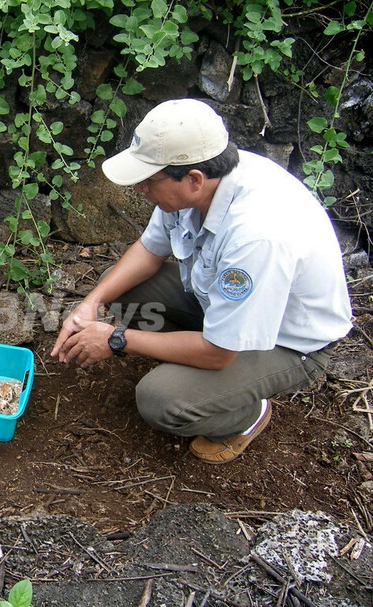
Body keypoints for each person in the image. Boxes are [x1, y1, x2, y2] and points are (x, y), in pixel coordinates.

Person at [51, 99, 352, 464]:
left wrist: (116, 339)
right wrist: (91, 302)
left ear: (193, 179)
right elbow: (149, 250)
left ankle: (245, 415)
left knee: (161, 400)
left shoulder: (255, 235)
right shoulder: (202, 180)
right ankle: (192, 369)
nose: (139, 189)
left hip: (285, 343)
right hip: (219, 309)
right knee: (115, 287)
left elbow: (219, 352)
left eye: (148, 181)